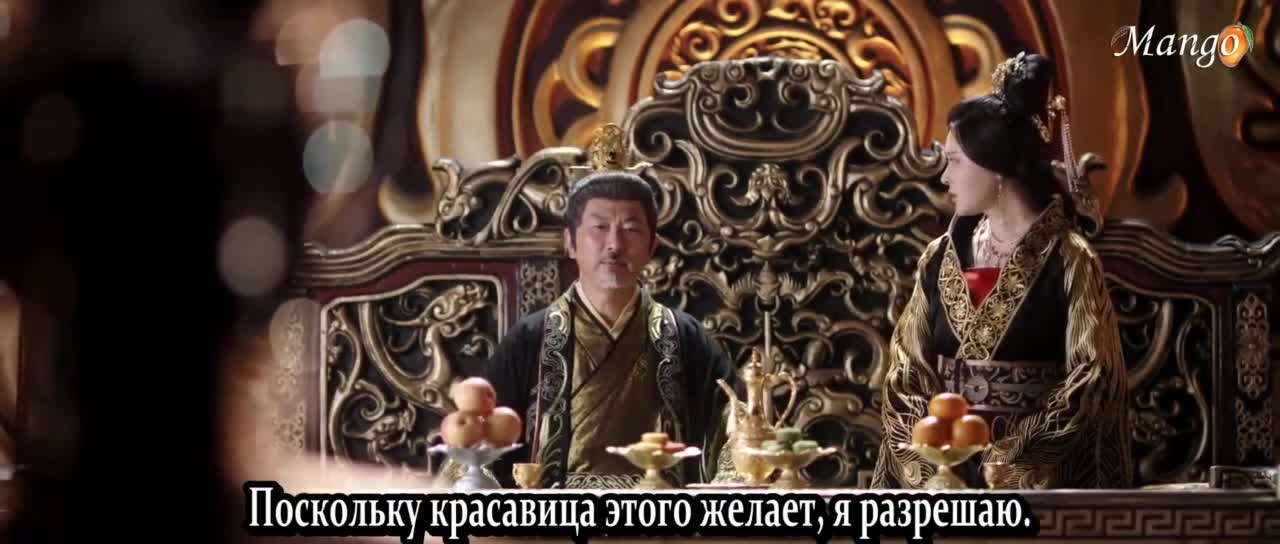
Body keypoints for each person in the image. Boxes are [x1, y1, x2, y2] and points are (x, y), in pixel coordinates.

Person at [871, 52, 1132, 490]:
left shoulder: (1069, 259)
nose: (944, 178)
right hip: (942, 470)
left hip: (1032, 475)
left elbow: (1092, 379)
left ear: (994, 166)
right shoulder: (940, 257)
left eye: (955, 161)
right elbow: (906, 369)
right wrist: (934, 454)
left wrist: (1012, 457)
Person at [476, 170, 736, 489]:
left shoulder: (686, 338)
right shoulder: (529, 339)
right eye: (599, 227)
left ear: (652, 245)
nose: (614, 244)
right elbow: (477, 441)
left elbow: (735, 428)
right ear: (570, 242)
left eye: (631, 229)